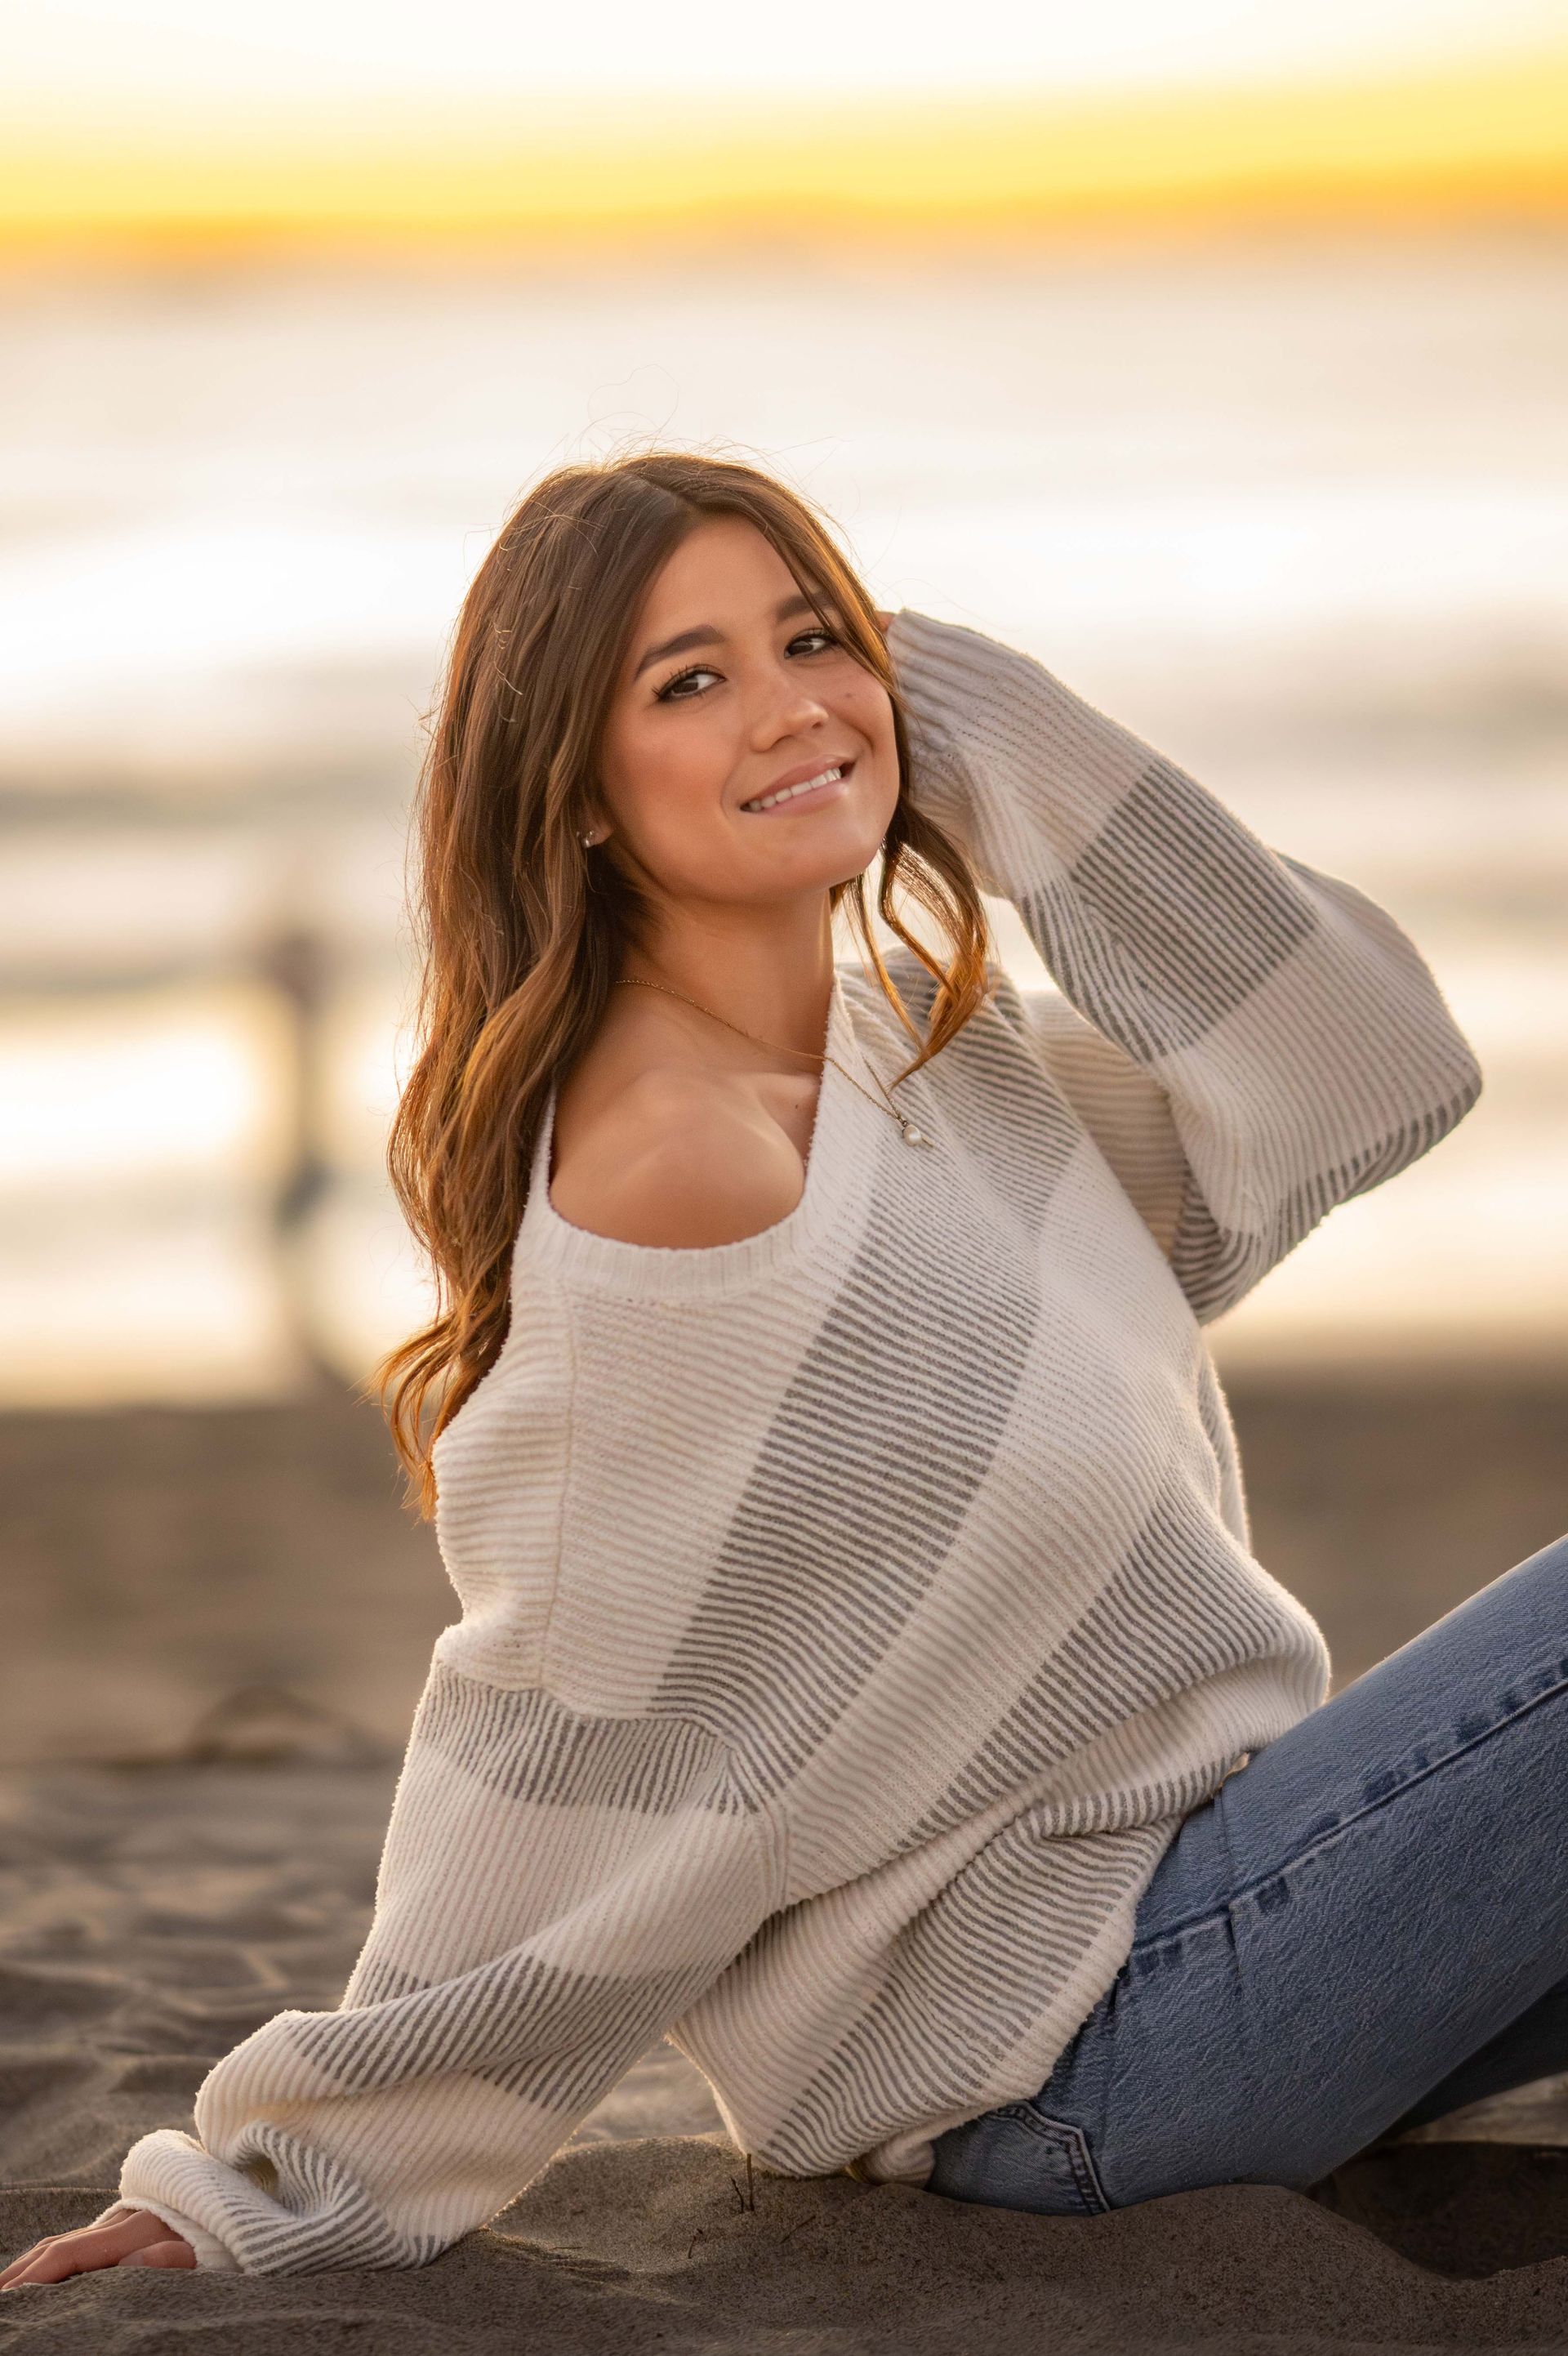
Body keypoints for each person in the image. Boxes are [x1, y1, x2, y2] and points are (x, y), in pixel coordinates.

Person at [15, 444, 1552, 2292]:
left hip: (1244, 1888)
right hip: (1083, 2052)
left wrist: (1002, 734)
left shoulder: (923, 1049)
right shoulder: (683, 1182)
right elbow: (564, 1724)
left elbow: (1363, 1073)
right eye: (691, 680)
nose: (791, 705)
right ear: (576, 793)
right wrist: (270, 2184)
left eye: (816, 636)